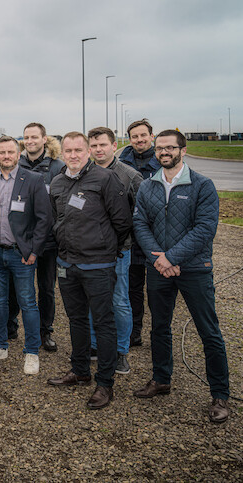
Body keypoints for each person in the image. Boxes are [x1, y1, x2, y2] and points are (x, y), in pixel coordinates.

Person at [132, 130, 230, 423]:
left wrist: (171, 258)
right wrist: (159, 259)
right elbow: (140, 224)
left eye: (170, 148)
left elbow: (204, 229)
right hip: (159, 269)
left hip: (194, 270)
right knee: (159, 327)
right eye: (160, 148)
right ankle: (161, 378)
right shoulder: (148, 186)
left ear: (182, 150)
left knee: (208, 332)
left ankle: (220, 394)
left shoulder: (202, 185)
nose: (164, 152)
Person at [46, 132, 131, 410]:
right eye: (68, 151)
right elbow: (55, 220)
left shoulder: (105, 179)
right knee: (76, 319)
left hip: (98, 265)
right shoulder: (57, 182)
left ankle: (105, 383)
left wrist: (105, 249)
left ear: (88, 152)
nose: (73, 155)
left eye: (78, 150)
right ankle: (80, 370)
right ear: (62, 152)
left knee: (104, 322)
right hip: (67, 265)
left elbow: (122, 222)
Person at [0, 136, 52, 375]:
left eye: (10, 152)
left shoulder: (33, 180)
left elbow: (44, 219)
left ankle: (32, 351)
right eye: (2, 153)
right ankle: (0, 345)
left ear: (17, 153)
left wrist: (33, 250)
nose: (6, 156)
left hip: (21, 254)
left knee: (27, 302)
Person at [87, 127, 143, 375]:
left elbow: (141, 215)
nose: (99, 149)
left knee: (119, 301)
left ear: (113, 146)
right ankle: (95, 345)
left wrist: (125, 241)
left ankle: (121, 352)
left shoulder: (129, 175)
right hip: (89, 251)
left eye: (103, 145)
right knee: (93, 300)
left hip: (119, 250)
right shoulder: (84, 173)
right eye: (94, 145)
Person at [7, 122, 65, 351]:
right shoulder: (15, 165)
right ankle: (10, 326)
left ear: (44, 139)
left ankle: (45, 332)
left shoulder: (58, 167)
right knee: (15, 285)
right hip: (21, 238)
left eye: (35, 137)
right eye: (26, 137)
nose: (30, 141)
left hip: (48, 240)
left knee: (46, 287)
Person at [119, 119, 161, 348]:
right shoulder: (122, 163)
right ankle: (135, 330)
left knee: (157, 289)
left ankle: (160, 331)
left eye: (143, 135)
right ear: (130, 139)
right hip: (132, 235)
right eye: (135, 137)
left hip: (157, 234)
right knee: (132, 287)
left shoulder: (162, 161)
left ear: (151, 136)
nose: (139, 140)